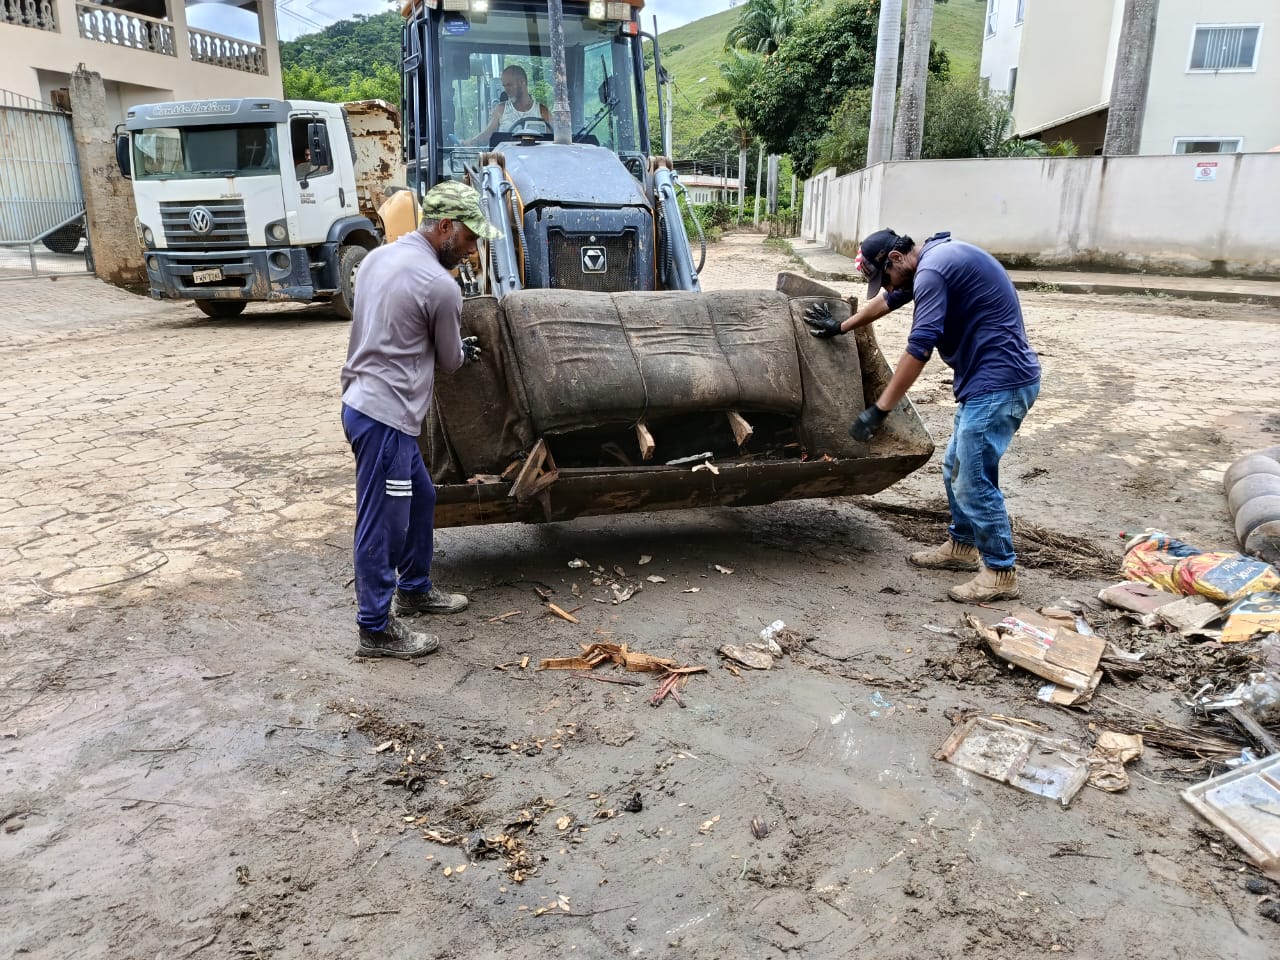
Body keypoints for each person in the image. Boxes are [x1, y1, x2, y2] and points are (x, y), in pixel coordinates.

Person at [804, 228, 1041, 603]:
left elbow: (919, 348)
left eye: (887, 275)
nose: (890, 284)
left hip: (1000, 385)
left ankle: (1000, 572)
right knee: (956, 468)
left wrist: (881, 408)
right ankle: (962, 546)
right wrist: (841, 327)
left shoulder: (932, 273)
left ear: (896, 259)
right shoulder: (931, 261)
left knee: (973, 478)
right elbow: (887, 301)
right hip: (987, 382)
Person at [340, 181, 503, 659]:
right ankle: (375, 629)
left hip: (362, 403)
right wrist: (461, 349)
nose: (473, 251)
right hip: (385, 417)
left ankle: (414, 587)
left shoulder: (376, 259)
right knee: (382, 522)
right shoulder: (439, 285)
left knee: (421, 498)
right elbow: (451, 361)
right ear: (446, 227)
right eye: (471, 239)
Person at [466, 65, 552, 146]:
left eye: (509, 85)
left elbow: (553, 140)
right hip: (506, 160)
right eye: (504, 86)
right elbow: (487, 136)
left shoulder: (542, 111)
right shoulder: (500, 110)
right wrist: (471, 143)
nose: (506, 90)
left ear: (522, 83)